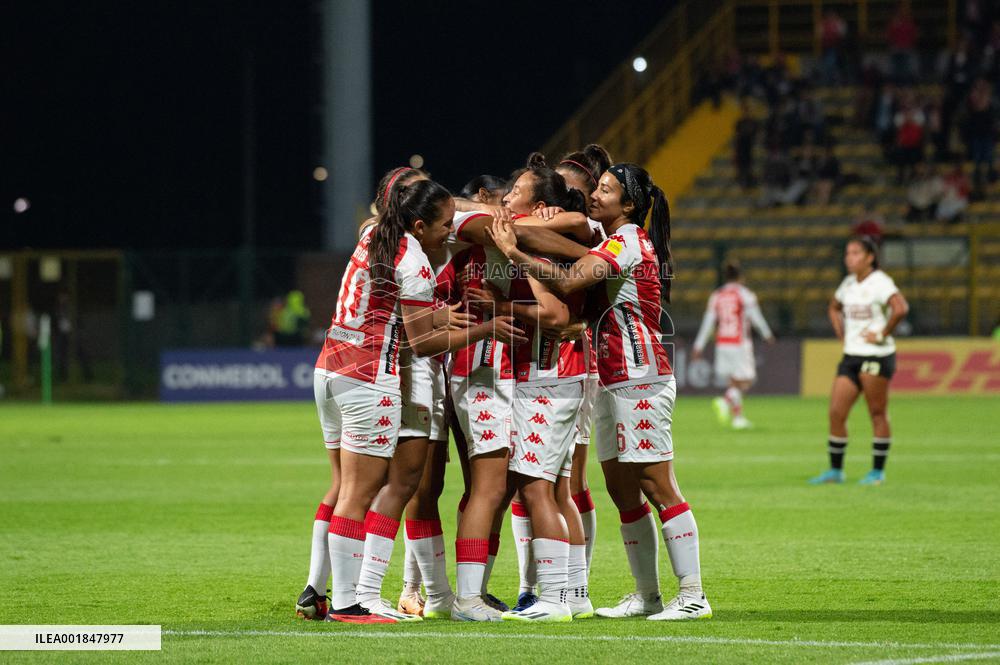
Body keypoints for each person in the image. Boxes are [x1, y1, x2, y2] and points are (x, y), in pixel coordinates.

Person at [489, 163, 712, 621]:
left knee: (657, 484)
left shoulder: (627, 241)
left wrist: (512, 251)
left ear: (628, 204)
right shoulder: (613, 239)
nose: (596, 194)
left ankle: (692, 595)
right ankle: (647, 595)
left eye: (607, 190)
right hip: (612, 379)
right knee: (622, 490)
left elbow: (570, 281)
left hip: (640, 378)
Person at [318, 179, 525, 624]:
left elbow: (395, 308)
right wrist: (483, 329)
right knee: (365, 490)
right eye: (445, 224)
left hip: (333, 364)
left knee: (355, 487)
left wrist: (438, 315)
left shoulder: (374, 232)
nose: (451, 232)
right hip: (371, 373)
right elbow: (424, 343)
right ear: (417, 223)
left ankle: (337, 592)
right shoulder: (413, 258)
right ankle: (351, 601)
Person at [810, 236, 909, 486]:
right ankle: (836, 471)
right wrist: (840, 331)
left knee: (876, 412)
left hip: (876, 355)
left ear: (870, 257)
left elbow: (900, 308)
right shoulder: (848, 284)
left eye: (855, 253)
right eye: (847, 253)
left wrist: (882, 334)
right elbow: (834, 307)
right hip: (852, 355)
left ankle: (877, 472)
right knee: (836, 412)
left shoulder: (880, 282)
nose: (849, 258)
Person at [692, 261, 775, 430]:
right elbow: (756, 317)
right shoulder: (745, 295)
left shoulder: (717, 295)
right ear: (740, 277)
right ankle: (724, 401)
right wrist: (767, 334)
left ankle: (738, 418)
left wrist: (698, 345)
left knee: (734, 382)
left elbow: (708, 323)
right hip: (739, 342)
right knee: (748, 380)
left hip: (722, 342)